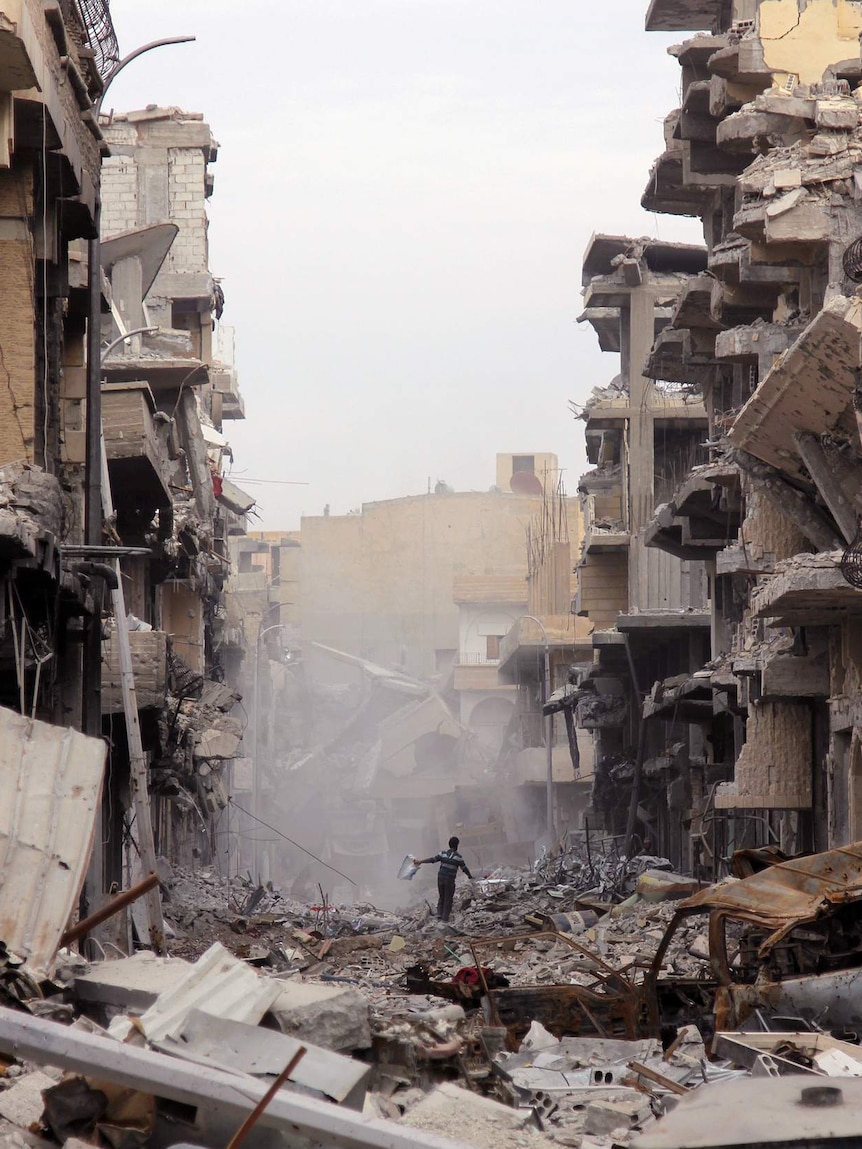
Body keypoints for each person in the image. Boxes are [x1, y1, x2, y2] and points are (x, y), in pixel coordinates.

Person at [416, 836, 473, 922]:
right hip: (449, 880)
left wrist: (420, 861)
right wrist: (470, 876)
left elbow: (432, 860)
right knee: (448, 898)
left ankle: (439, 915)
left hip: (440, 878)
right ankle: (445, 919)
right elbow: (464, 868)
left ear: (449, 844)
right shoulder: (458, 857)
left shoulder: (443, 853)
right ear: (457, 845)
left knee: (442, 897)